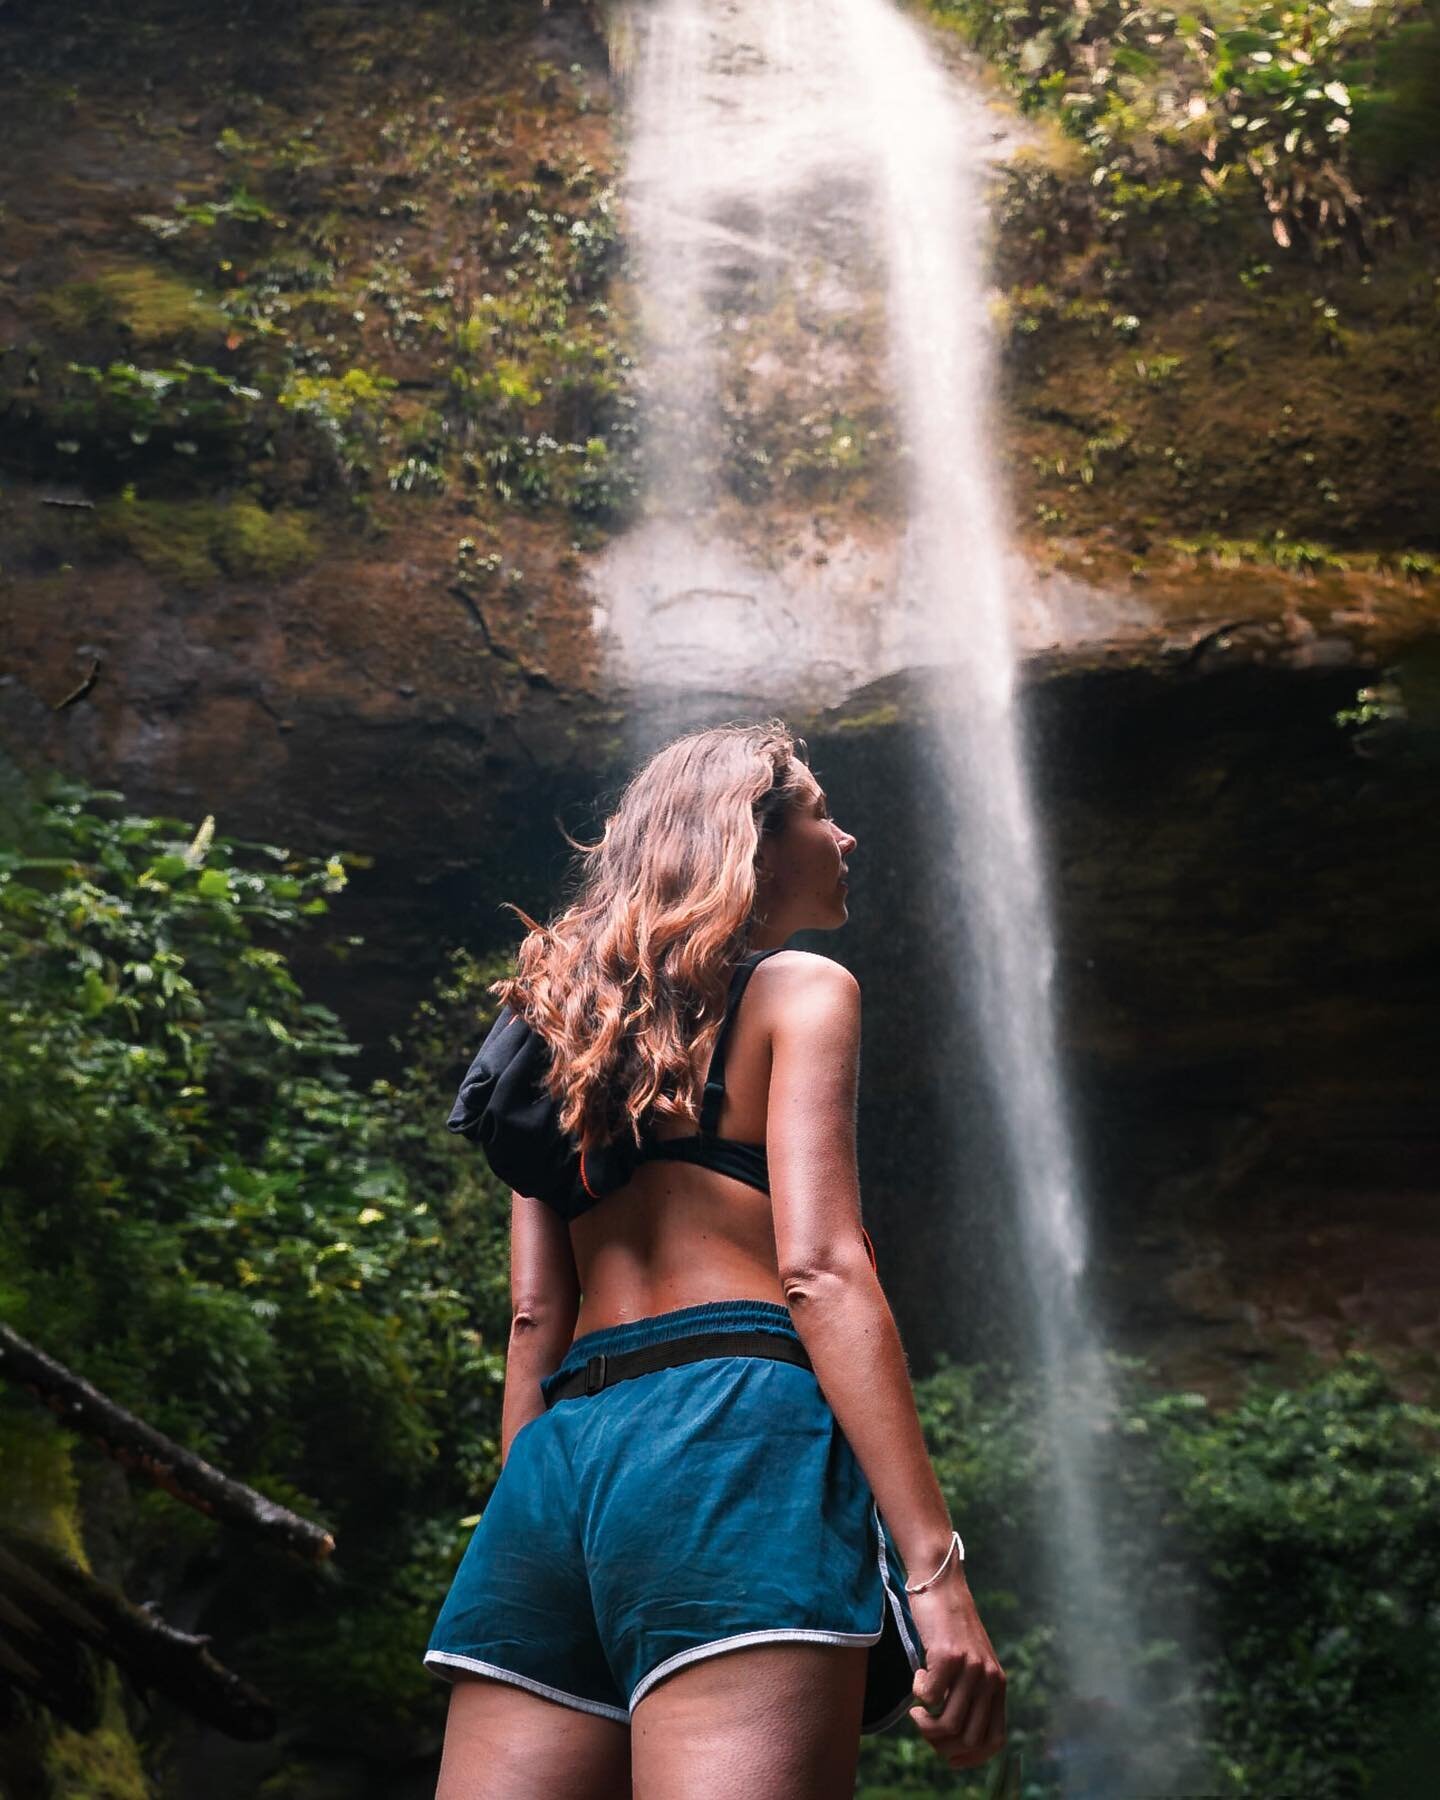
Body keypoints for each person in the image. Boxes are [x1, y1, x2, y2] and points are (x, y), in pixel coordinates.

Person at [425, 721, 1006, 1799]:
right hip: (735, 1438)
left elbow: (531, 1318)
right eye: (822, 814)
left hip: (559, 1466)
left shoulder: (553, 1025)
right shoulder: (802, 990)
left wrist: (542, 1525)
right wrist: (937, 1578)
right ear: (754, 843)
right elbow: (820, 1271)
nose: (848, 835)